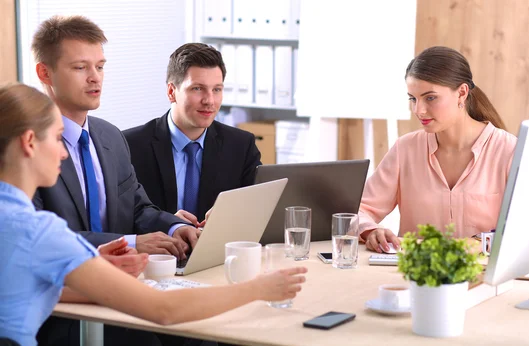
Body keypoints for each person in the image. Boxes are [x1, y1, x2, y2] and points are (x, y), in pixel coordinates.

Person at [0, 83, 307, 346]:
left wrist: (86, 269)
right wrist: (258, 289)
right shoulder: (37, 231)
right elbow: (164, 310)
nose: (65, 151)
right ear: (29, 143)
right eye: (56, 138)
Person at [29, 15, 199, 346]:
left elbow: (137, 206)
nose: (95, 79)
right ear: (45, 73)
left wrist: (175, 228)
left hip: (126, 304)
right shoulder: (26, 147)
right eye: (80, 68)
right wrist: (133, 242)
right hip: (61, 315)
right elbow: (41, 238)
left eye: (100, 67)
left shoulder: (109, 136)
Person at [359, 46, 517, 253]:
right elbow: (360, 210)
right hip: (417, 277)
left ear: (461, 93)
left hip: (482, 277)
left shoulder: (508, 150)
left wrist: (480, 242)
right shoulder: (405, 149)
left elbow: (527, 226)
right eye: (413, 99)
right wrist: (371, 230)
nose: (419, 110)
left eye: (430, 98)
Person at [124, 43, 261, 227]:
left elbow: (258, 209)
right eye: (197, 88)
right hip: (159, 253)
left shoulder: (241, 145)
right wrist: (167, 224)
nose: (209, 101)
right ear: (172, 92)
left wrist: (230, 215)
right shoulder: (130, 146)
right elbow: (123, 217)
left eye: (217, 89)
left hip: (219, 252)